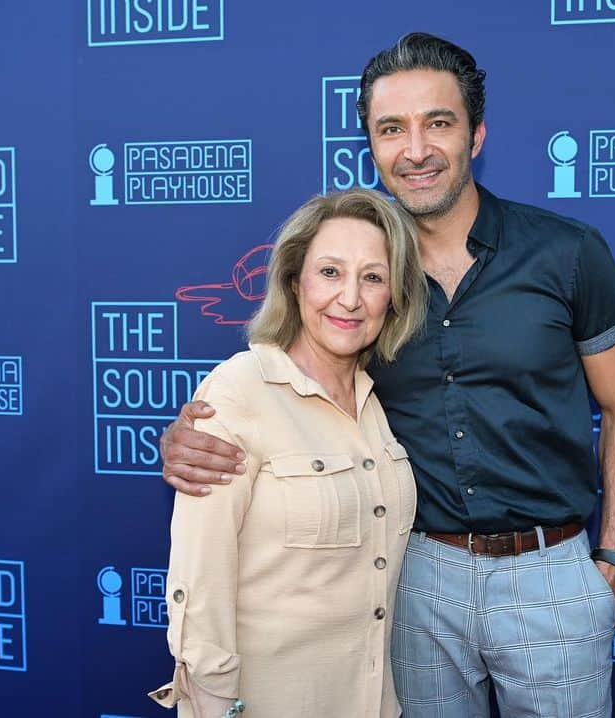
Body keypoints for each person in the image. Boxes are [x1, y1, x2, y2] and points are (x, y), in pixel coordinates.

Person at [160, 33, 615, 718]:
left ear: (476, 135)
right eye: (392, 128)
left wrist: (612, 561)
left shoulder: (567, 254)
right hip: (416, 581)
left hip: (552, 572)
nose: (415, 149)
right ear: (371, 142)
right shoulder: (364, 284)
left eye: (438, 123)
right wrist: (192, 433)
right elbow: (288, 388)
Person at [148, 187, 428, 718]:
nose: (350, 298)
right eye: (329, 272)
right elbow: (199, 575)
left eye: (373, 277)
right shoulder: (239, 390)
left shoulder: (375, 406)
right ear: (294, 281)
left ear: (393, 296)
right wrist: (213, 704)